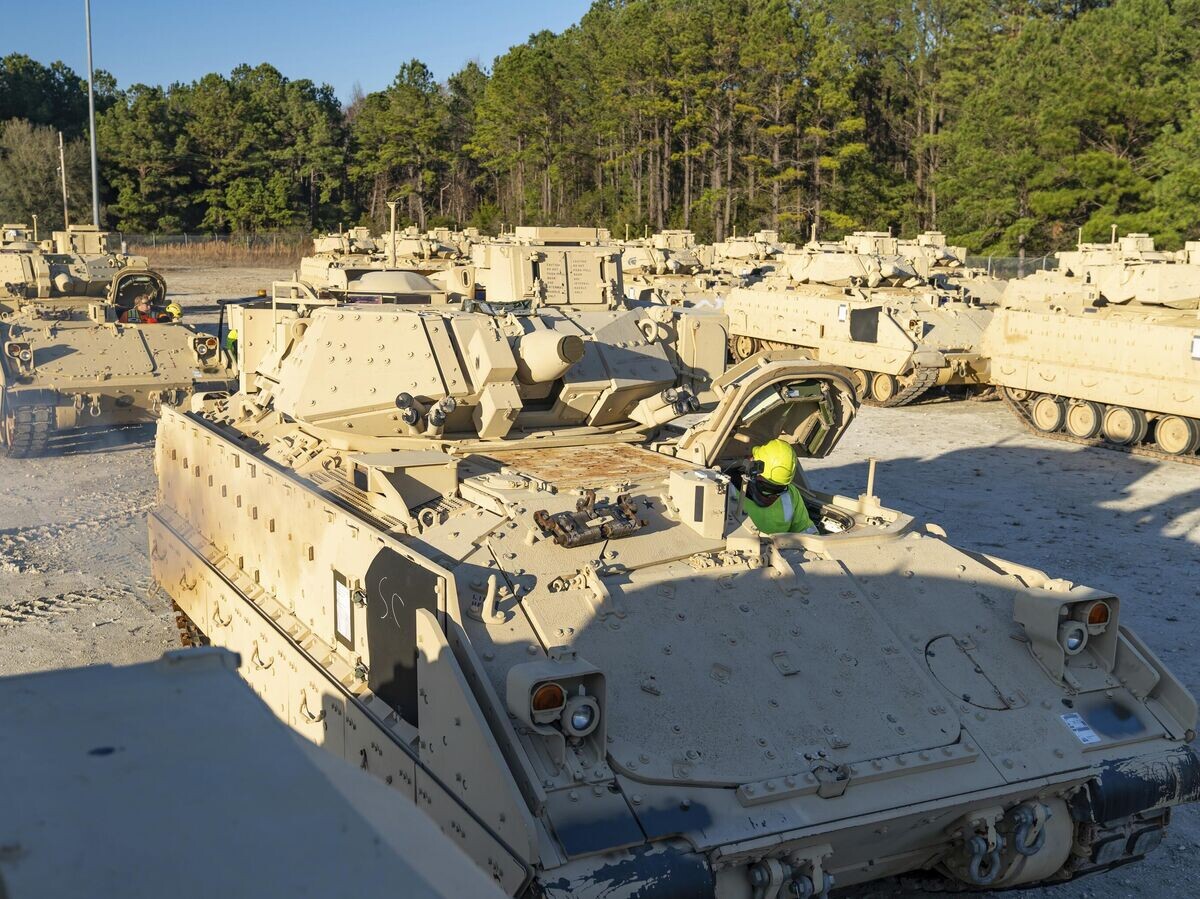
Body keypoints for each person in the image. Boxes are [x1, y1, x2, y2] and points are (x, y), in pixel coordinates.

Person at [728, 438, 817, 535]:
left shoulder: (791, 494)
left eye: (780, 489)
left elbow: (806, 530)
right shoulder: (727, 493)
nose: (773, 496)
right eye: (767, 488)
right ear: (751, 471)